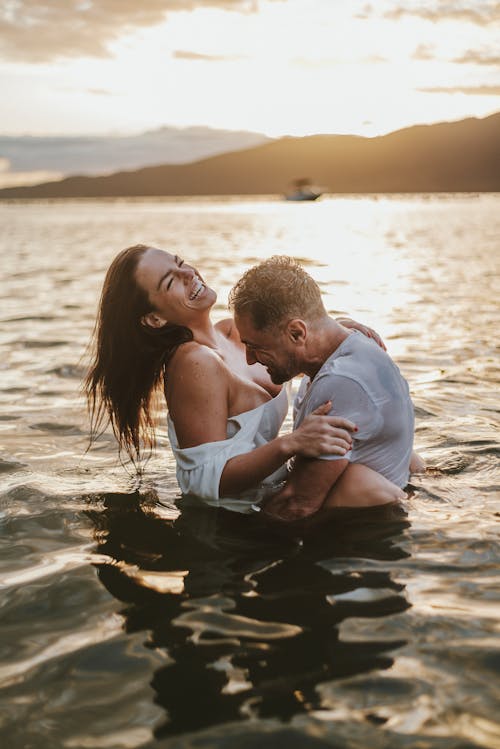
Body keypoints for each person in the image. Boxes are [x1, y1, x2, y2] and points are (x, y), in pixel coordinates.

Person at [85, 244, 408, 517]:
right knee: (368, 486)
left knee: (405, 460)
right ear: (154, 318)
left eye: (180, 263)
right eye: (172, 281)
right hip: (239, 515)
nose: (189, 274)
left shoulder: (233, 332)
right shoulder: (194, 362)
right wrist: (289, 444)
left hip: (277, 484)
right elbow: (200, 480)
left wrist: (336, 331)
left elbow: (292, 348)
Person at [229, 255, 422, 522]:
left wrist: (227, 540)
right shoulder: (343, 348)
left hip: (358, 533)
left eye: (258, 347)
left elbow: (298, 505)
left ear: (297, 333)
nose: (250, 359)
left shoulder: (342, 382)